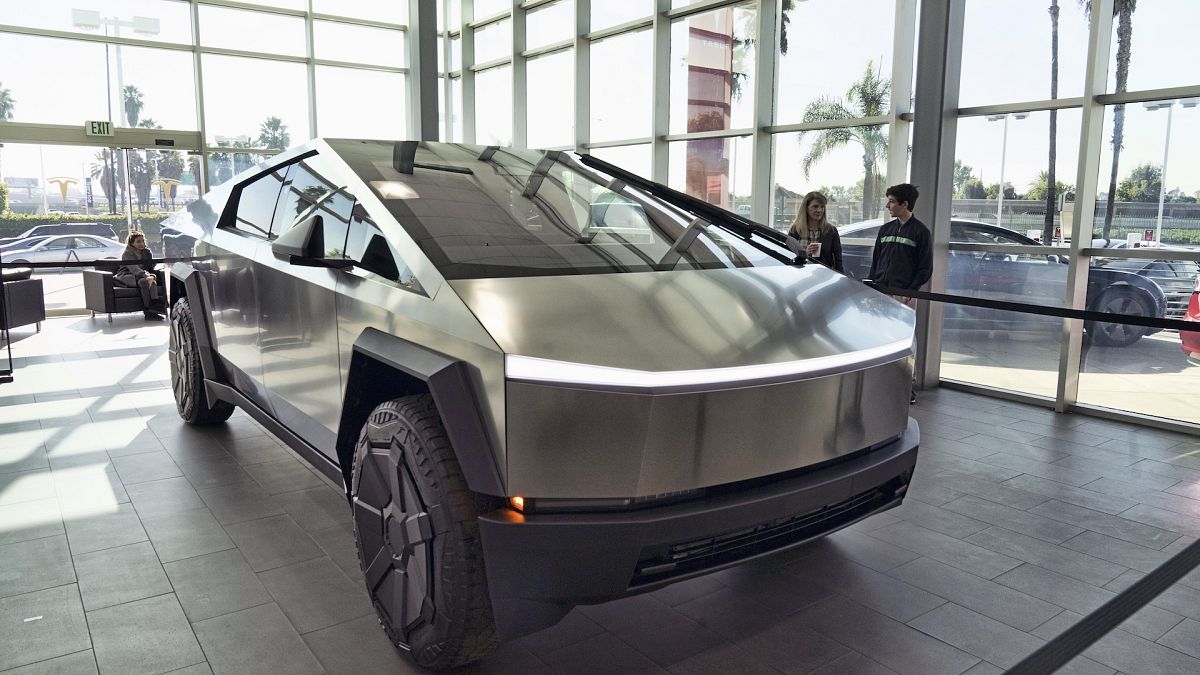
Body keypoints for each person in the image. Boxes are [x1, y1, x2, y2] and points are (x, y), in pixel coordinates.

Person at [867, 183, 932, 404]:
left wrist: (910, 291)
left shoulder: (921, 232)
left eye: (892, 201)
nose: (888, 206)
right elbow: (876, 261)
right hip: (881, 293)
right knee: (879, 337)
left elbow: (925, 267)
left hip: (904, 296)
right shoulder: (885, 230)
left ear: (905, 204)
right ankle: (880, 383)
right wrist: (873, 286)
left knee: (904, 341)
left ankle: (906, 388)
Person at [787, 191, 843, 273]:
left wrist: (841, 279)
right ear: (806, 208)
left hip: (823, 276)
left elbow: (838, 260)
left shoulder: (831, 230)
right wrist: (805, 253)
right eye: (815, 206)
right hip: (799, 275)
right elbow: (787, 255)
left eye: (822, 207)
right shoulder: (795, 229)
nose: (819, 210)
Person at [116, 230, 166, 321]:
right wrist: (146, 275)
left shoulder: (145, 252)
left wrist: (149, 255)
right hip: (127, 275)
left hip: (141, 275)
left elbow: (150, 267)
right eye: (138, 242)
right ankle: (149, 311)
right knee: (145, 280)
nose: (141, 243)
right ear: (132, 243)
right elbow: (134, 269)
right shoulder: (127, 253)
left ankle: (153, 308)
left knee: (151, 278)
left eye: (143, 241)